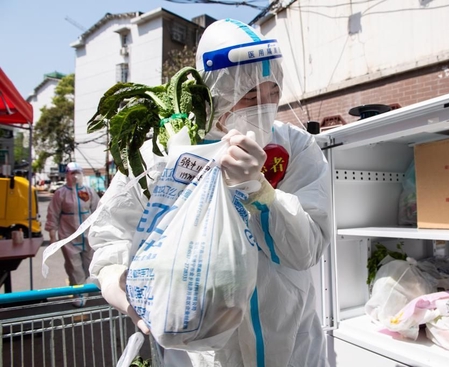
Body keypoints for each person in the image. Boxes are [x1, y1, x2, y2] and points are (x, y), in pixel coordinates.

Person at [88, 18, 332, 366]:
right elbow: (111, 237)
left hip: (292, 343)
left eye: (273, 92)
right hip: (200, 350)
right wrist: (121, 291)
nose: (264, 105)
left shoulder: (294, 147)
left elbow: (306, 249)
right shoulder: (167, 154)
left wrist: (260, 192)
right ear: (217, 91)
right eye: (249, 95)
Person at [45, 162, 100, 307]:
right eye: (72, 173)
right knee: (74, 267)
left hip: (88, 236)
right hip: (69, 236)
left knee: (90, 264)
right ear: (67, 175)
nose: (75, 176)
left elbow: (98, 211)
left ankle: (86, 288)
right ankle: (79, 294)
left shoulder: (89, 191)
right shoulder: (60, 193)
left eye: (78, 173)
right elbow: (53, 214)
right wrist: (52, 236)